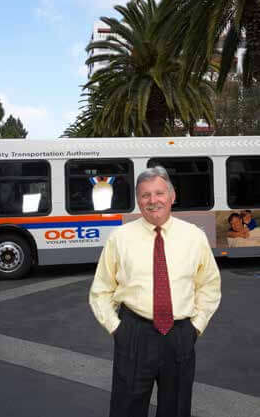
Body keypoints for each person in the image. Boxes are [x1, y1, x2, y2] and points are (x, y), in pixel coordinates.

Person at [89, 166, 221, 417]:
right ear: (138, 201)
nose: (153, 201)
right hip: (134, 335)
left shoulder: (194, 237)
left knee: (177, 408)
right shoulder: (120, 238)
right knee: (126, 407)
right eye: (145, 195)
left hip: (180, 335)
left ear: (172, 196)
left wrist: (196, 326)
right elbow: (101, 290)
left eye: (159, 193)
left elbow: (209, 285)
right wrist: (117, 329)